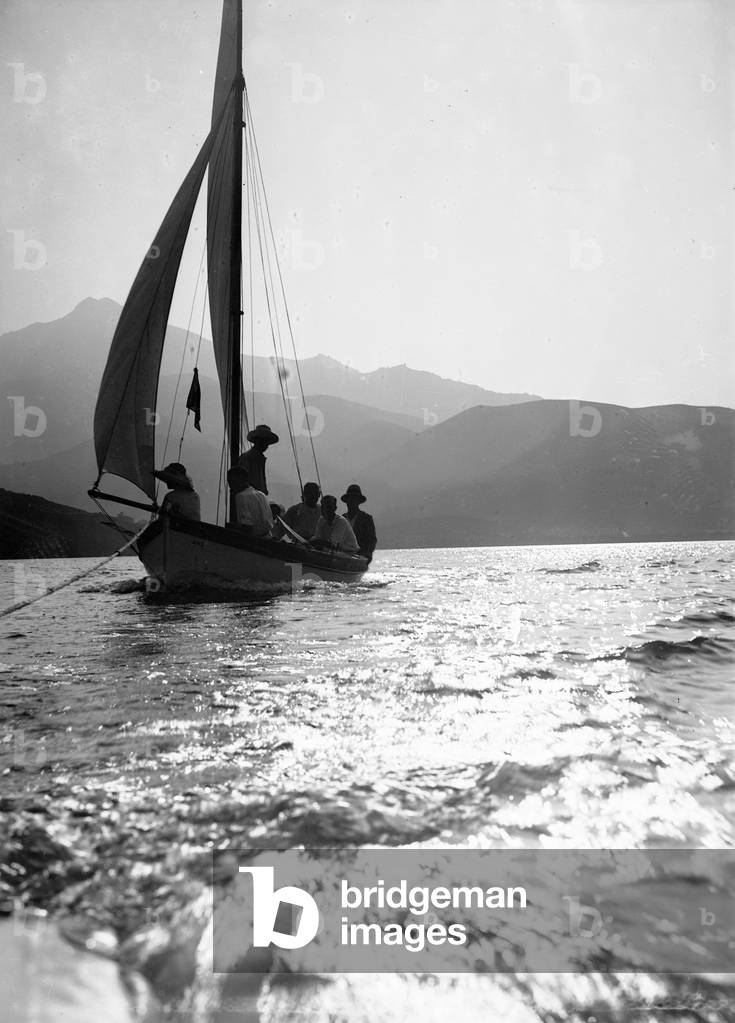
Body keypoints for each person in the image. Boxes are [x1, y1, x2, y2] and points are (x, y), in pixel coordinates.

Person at [226, 465, 273, 537]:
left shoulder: (241, 496)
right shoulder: (261, 495)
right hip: (268, 537)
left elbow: (247, 527)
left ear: (240, 480)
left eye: (231, 482)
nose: (230, 485)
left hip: (254, 541)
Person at [237, 424, 279, 495]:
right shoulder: (247, 458)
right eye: (264, 441)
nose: (266, 445)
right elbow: (242, 483)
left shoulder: (259, 458)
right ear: (257, 441)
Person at [341, 483, 377, 562]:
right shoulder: (341, 519)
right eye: (350, 498)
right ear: (346, 501)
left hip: (359, 557)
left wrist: (367, 555)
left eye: (354, 499)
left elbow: (372, 540)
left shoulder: (366, 519)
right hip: (341, 556)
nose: (351, 501)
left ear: (358, 501)